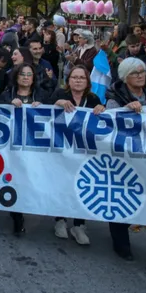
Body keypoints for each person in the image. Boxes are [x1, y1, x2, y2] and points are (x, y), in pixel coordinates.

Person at [104, 58, 146, 261]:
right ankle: (121, 243)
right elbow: (109, 124)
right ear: (126, 77)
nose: (141, 75)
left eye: (143, 71)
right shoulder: (115, 98)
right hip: (124, 156)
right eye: (135, 73)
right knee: (122, 196)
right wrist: (126, 110)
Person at [48, 65, 107, 244]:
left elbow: (102, 117)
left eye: (82, 77)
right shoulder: (60, 94)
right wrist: (58, 104)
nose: (78, 80)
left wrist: (100, 108)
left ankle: (79, 225)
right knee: (63, 184)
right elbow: (45, 110)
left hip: (84, 151)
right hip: (62, 149)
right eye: (75, 77)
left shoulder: (93, 98)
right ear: (69, 80)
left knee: (83, 186)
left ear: (87, 81)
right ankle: (60, 220)